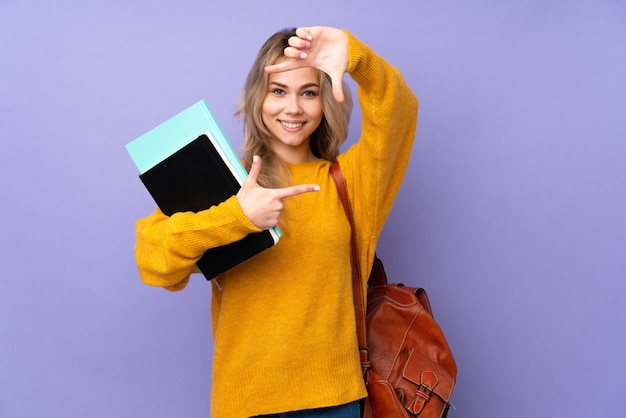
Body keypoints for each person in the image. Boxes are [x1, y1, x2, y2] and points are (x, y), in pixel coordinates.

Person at [134, 26, 418, 418]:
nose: (293, 108)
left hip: (333, 401)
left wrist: (356, 57)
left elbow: (398, 110)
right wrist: (237, 217)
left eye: (309, 92)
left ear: (325, 102)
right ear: (258, 97)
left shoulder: (352, 182)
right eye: (278, 90)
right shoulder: (227, 182)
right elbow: (154, 263)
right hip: (246, 403)